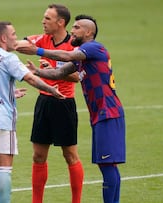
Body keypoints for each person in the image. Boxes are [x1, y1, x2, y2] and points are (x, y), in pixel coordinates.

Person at [16, 14, 126, 203]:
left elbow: (67, 55)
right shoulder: (83, 57)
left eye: (76, 28)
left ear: (88, 32)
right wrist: (37, 72)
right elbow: (59, 72)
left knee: (107, 165)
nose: (72, 31)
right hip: (100, 115)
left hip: (108, 112)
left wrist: (38, 50)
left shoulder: (93, 47)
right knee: (105, 164)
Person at [0, 21, 65, 203]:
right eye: (13, 34)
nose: (16, 38)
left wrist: (10, 92)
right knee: (4, 168)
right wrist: (51, 89)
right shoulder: (9, 58)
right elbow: (31, 79)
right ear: (3, 38)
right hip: (3, 119)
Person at [20, 4, 84, 203]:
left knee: (70, 155)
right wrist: (16, 43)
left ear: (60, 22)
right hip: (44, 102)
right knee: (38, 155)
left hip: (64, 103)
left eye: (48, 18)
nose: (43, 21)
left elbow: (77, 77)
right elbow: (21, 44)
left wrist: (54, 66)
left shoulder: (74, 46)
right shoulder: (42, 39)